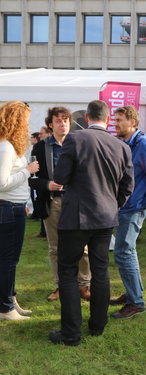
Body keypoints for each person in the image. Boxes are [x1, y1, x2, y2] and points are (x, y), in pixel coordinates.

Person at [49, 100, 134, 346]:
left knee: (67, 272)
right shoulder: (121, 146)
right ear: (108, 119)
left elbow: (61, 177)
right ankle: (97, 326)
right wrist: (112, 205)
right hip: (105, 217)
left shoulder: (76, 139)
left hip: (77, 217)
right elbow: (128, 186)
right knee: (100, 271)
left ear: (86, 117)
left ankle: (71, 334)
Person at [29, 107, 91, 302]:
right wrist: (47, 184)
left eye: (65, 120)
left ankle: (84, 285)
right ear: (50, 124)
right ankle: (60, 286)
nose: (62, 123)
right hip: (53, 201)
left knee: (83, 246)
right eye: (58, 120)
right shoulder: (40, 147)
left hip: (77, 202)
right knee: (55, 248)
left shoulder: (80, 144)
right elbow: (32, 178)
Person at [109, 106, 146, 319]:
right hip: (126, 206)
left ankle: (136, 302)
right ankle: (134, 293)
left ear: (132, 122)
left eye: (120, 120)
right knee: (127, 252)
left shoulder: (144, 144)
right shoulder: (128, 143)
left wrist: (144, 202)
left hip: (134, 207)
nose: (116, 124)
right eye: (115, 120)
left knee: (123, 252)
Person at [0, 101, 39, 321]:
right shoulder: (5, 147)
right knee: (7, 261)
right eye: (24, 119)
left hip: (13, 207)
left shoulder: (8, 145)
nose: (27, 123)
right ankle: (5, 308)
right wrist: (27, 170)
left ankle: (9, 300)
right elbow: (2, 183)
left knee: (9, 260)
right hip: (7, 208)